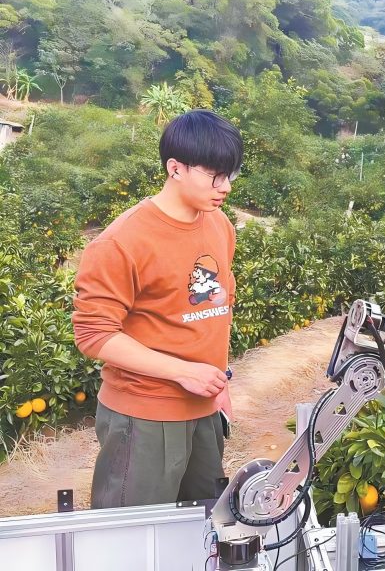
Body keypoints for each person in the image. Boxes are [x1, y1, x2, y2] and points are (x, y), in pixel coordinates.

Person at [72, 109, 241, 508]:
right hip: (144, 416)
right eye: (215, 175)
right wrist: (183, 372)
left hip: (204, 409)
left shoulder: (219, 225)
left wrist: (219, 385)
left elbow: (215, 311)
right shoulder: (122, 241)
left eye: (231, 175)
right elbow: (94, 334)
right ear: (175, 168)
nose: (225, 187)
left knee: (202, 525)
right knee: (132, 531)